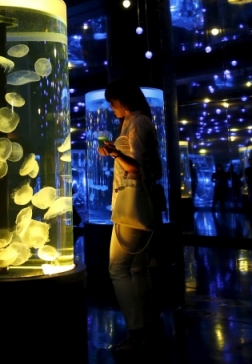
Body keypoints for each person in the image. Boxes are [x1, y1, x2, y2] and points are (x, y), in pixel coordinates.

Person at [96, 77, 161, 352]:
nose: (111, 107)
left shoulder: (138, 123)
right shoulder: (135, 122)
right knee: (138, 268)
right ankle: (147, 327)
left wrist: (114, 153)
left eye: (113, 102)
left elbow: (136, 167)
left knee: (118, 268)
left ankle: (137, 332)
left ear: (123, 100)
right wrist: (115, 150)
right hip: (140, 201)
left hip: (132, 203)